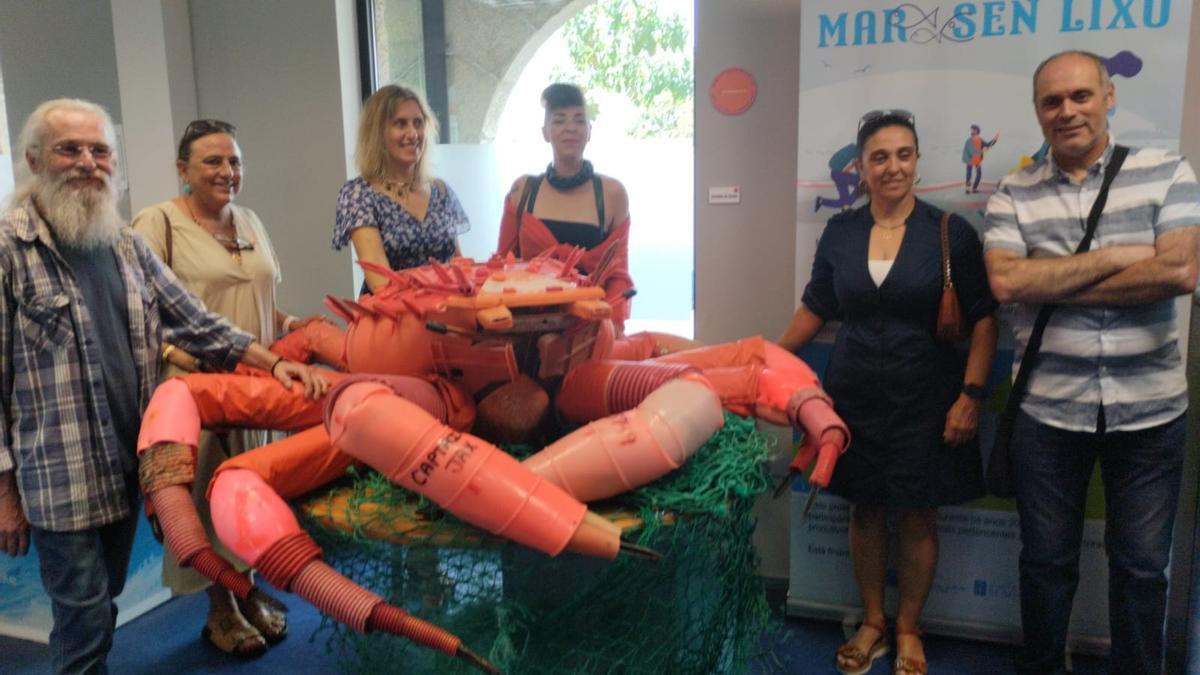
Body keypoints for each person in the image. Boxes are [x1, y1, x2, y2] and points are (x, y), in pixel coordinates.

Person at [0, 98, 328, 674]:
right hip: (60, 474)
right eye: (69, 149)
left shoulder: (123, 244)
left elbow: (194, 318)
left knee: (104, 600)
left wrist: (273, 365)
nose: (87, 162)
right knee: (82, 621)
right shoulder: (8, 251)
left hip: (132, 461)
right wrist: (3, 491)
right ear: (33, 159)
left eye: (99, 151)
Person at [983, 50, 1200, 674]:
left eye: (1080, 96)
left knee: (1140, 568)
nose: (1067, 111)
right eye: (1052, 101)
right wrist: (1120, 258)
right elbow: (1005, 284)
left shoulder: (1167, 172)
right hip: (1048, 415)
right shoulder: (1012, 193)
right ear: (1037, 111)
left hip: (1151, 415)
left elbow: (1180, 271)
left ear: (1108, 97)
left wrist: (1048, 278)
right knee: (1045, 563)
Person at [779, 110, 998, 675]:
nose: (892, 166)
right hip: (851, 396)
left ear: (918, 160)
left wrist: (971, 396)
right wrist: (771, 359)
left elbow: (984, 320)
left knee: (920, 515)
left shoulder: (949, 233)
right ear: (861, 167)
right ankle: (874, 619)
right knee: (865, 510)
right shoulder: (842, 231)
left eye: (903, 154)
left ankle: (908, 627)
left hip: (928, 400)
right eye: (879, 157)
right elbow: (817, 306)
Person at [130, 119, 320, 656]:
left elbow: (261, 304)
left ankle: (249, 590)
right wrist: (183, 358)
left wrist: (294, 329)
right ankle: (220, 608)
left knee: (247, 492)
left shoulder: (251, 220)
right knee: (205, 498)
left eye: (234, 161)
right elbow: (141, 314)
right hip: (193, 389)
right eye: (212, 161)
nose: (227, 172)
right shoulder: (157, 222)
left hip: (256, 385)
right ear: (183, 169)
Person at [498, 83, 634, 329]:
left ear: (589, 131)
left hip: (591, 329)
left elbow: (618, 275)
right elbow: (501, 267)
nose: (570, 128)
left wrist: (611, 330)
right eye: (559, 120)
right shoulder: (522, 190)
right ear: (545, 132)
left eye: (579, 120)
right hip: (526, 327)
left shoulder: (613, 194)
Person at [332, 84, 469, 293]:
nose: (413, 133)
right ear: (378, 133)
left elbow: (459, 265)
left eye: (418, 123)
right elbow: (380, 282)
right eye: (400, 124)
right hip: (393, 318)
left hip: (448, 315)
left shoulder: (441, 191)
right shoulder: (359, 194)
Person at [962, 124, 999, 193]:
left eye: (973, 130)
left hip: (976, 159)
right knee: (970, 173)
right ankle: (969, 188)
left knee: (977, 173)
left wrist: (995, 139)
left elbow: (988, 144)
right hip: (971, 159)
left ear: (977, 131)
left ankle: (973, 188)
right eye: (972, 130)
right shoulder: (971, 140)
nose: (972, 131)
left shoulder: (978, 139)